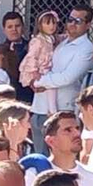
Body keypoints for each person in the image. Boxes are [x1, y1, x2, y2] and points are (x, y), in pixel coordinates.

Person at [35, 6, 93, 118]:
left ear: (88, 25)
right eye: (70, 20)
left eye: (78, 21)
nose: (72, 24)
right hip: (40, 107)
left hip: (63, 110)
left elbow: (67, 78)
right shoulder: (60, 42)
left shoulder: (87, 48)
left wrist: (38, 81)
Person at [18, 10, 59, 145]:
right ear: (40, 25)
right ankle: (52, 111)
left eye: (53, 23)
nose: (51, 26)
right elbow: (32, 57)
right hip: (40, 70)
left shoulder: (52, 39)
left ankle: (51, 109)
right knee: (49, 86)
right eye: (48, 23)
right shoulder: (37, 40)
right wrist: (34, 71)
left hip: (47, 68)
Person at [0, 15, 27, 107]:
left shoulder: (33, 47)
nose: (14, 29)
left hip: (27, 98)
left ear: (23, 27)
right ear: (4, 29)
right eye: (10, 27)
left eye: (17, 26)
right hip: (5, 101)